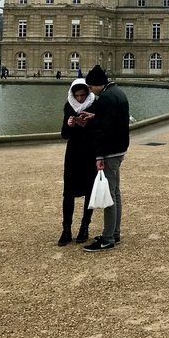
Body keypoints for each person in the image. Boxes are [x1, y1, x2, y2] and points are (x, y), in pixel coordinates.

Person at [81, 65, 130, 252]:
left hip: (109, 152)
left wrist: (99, 155)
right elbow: (113, 120)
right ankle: (114, 232)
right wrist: (96, 115)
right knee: (115, 192)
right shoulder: (117, 93)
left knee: (109, 195)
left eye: (91, 87)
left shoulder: (106, 98)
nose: (91, 91)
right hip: (119, 149)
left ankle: (108, 238)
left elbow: (103, 131)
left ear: (98, 84)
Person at [58, 79, 98, 246]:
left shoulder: (95, 106)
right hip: (73, 154)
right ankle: (66, 229)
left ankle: (84, 227)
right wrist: (69, 125)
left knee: (89, 191)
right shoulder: (69, 106)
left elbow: (99, 131)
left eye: (83, 95)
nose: (80, 99)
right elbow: (64, 135)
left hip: (90, 153)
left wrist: (89, 124)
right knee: (68, 193)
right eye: (77, 96)